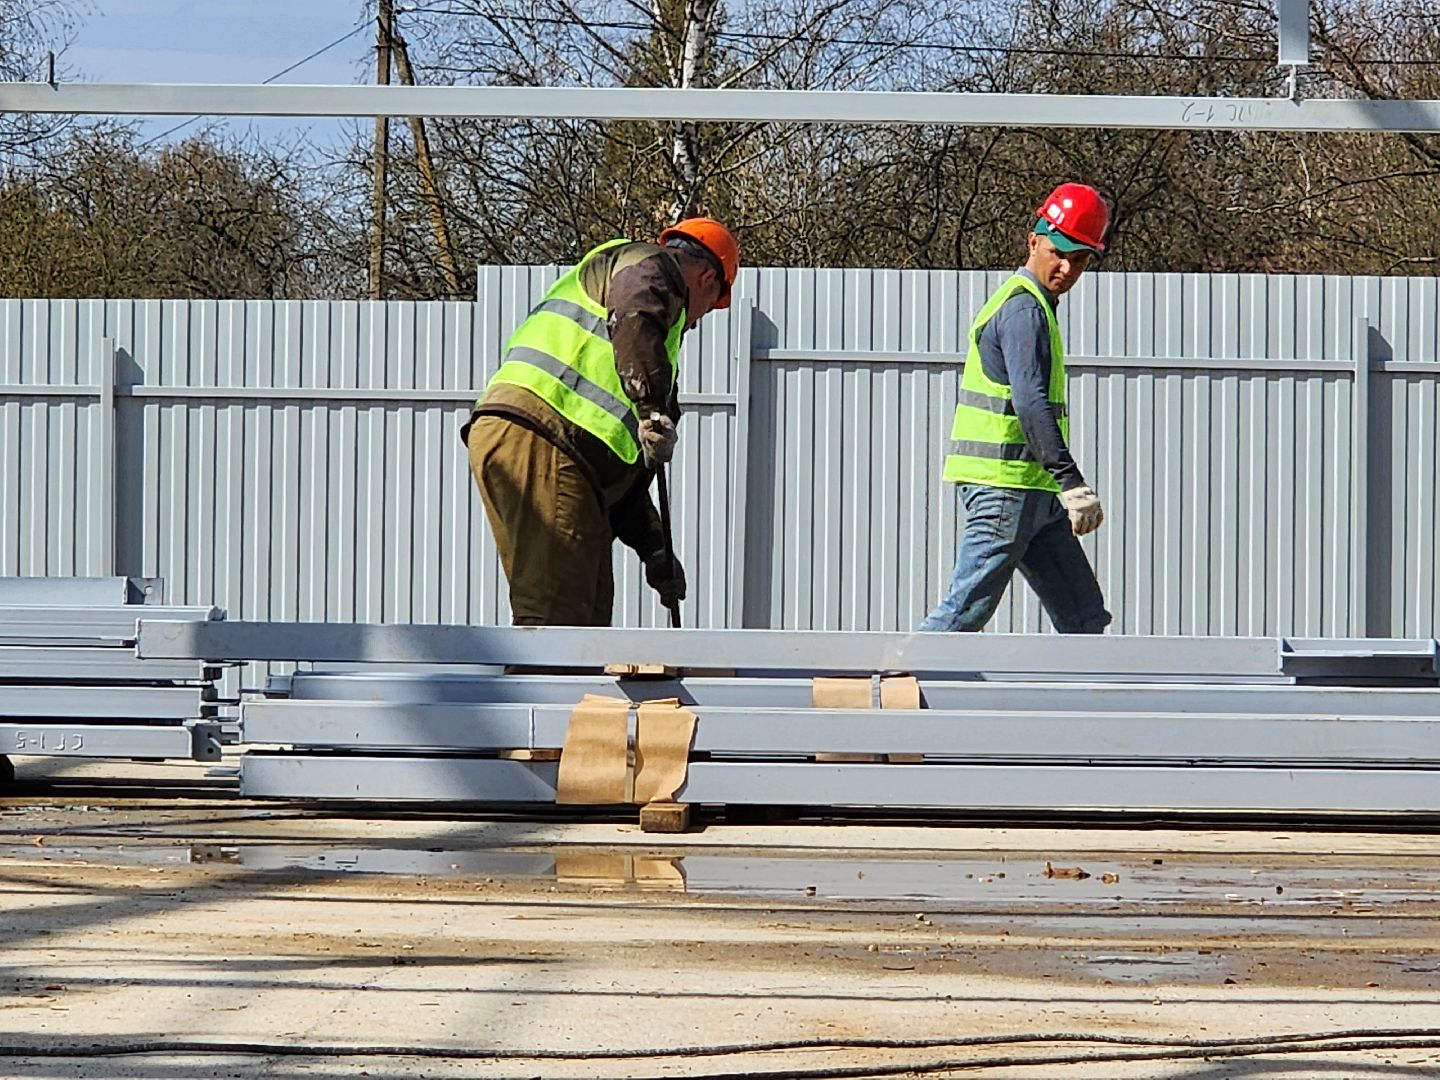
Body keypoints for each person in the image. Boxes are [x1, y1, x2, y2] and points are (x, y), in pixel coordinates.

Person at [463, 218, 740, 626]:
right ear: (706, 277)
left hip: (547, 445)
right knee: (559, 619)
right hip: (545, 434)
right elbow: (637, 310)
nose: (697, 322)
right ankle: (546, 689)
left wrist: (655, 548)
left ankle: (562, 685)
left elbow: (621, 478)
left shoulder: (645, 351)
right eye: (713, 304)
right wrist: (652, 408)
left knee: (588, 616)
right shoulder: (649, 265)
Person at [920, 183, 1112, 634]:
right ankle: (888, 689)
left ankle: (1090, 700)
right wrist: (1072, 483)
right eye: (1058, 252)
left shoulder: (1035, 307)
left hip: (1033, 491)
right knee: (963, 611)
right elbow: (1030, 403)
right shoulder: (1023, 311)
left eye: (1080, 258)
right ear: (1033, 241)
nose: (1067, 267)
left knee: (1084, 616)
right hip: (1005, 488)